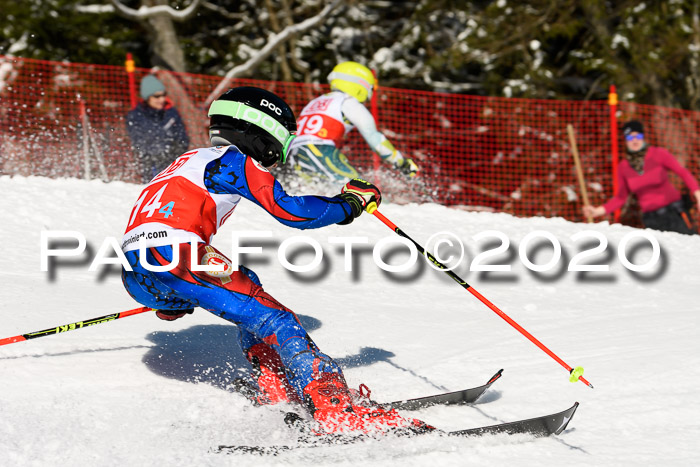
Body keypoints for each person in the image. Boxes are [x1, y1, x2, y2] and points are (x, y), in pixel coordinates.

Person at [120, 86, 432, 436]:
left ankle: (275, 385)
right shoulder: (233, 161)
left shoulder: (189, 160)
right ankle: (333, 408)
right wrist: (349, 204)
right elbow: (291, 212)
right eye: (281, 138)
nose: (278, 153)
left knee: (245, 281)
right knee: (279, 320)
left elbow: (152, 226)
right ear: (261, 129)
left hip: (137, 269)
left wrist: (172, 297)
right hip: (179, 255)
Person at [287, 61, 419, 182]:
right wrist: (401, 162)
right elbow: (375, 140)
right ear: (361, 85)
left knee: (317, 194)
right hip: (320, 150)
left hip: (294, 153)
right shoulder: (348, 102)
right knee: (362, 193)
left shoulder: (316, 102)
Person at [583, 120, 700, 234]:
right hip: (651, 220)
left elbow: (682, 172)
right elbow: (620, 198)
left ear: (643, 136)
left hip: (674, 213)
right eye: (630, 137)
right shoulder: (623, 167)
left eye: (637, 136)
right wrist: (597, 211)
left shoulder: (658, 154)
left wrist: (698, 195)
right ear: (625, 140)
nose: (634, 140)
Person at [126, 74, 190, 183]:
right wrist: (155, 152)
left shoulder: (171, 113)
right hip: (150, 165)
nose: (162, 99)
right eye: (156, 96)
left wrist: (175, 149)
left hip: (172, 164)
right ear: (147, 97)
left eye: (163, 95)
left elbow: (182, 138)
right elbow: (138, 141)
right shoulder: (136, 116)